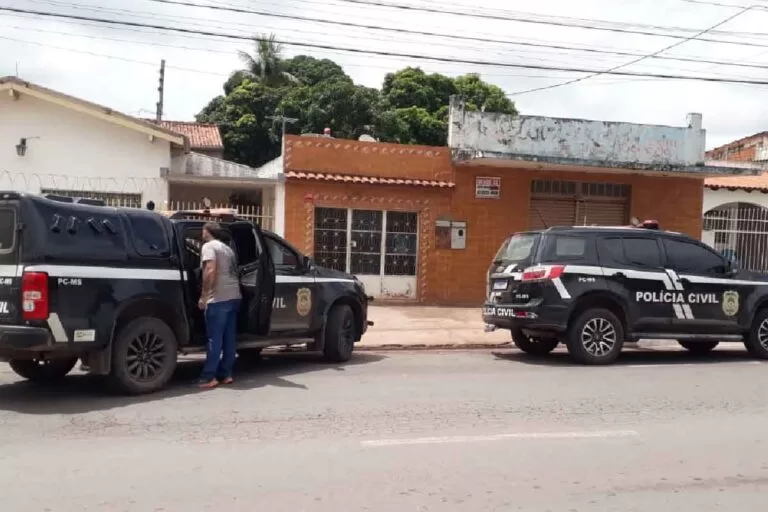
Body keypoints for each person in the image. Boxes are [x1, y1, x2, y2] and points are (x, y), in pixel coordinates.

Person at [198, 222, 242, 389]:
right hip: (234, 296)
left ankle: (209, 376)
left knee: (214, 339)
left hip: (218, 298)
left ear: (207, 231)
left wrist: (204, 296)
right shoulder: (227, 249)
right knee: (229, 338)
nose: (201, 234)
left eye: (203, 230)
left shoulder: (209, 247)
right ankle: (226, 373)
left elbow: (210, 270)